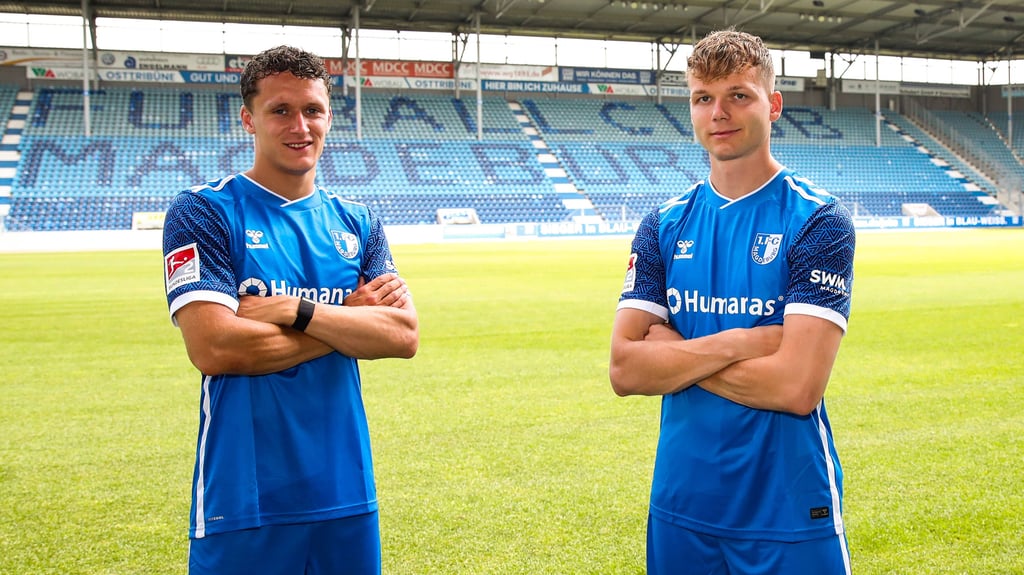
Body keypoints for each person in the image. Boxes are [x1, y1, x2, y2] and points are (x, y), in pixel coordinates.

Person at [162, 45, 419, 575]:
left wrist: (292, 311)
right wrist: (349, 319)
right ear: (248, 118)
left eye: (313, 110)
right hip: (245, 494)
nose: (300, 125)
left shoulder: (358, 222)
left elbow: (402, 337)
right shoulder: (203, 211)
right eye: (280, 110)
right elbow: (215, 346)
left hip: (346, 489)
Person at [609, 29, 855, 575]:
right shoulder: (662, 224)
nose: (718, 112)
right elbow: (625, 368)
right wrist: (745, 341)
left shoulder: (818, 220)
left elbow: (796, 387)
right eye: (703, 98)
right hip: (681, 505)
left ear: (774, 104)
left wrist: (677, 356)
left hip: (787, 507)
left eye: (738, 95)